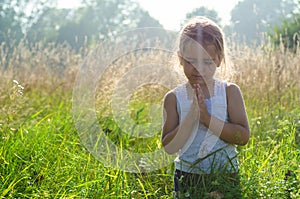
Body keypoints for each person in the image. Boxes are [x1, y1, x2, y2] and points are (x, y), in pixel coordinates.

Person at [161, 16, 250, 198]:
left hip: (225, 175)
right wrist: (192, 117)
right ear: (180, 59)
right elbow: (169, 146)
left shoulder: (229, 92)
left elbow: (243, 137)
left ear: (219, 59)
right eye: (191, 62)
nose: (199, 69)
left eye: (207, 62)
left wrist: (207, 118)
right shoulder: (173, 98)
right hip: (188, 176)